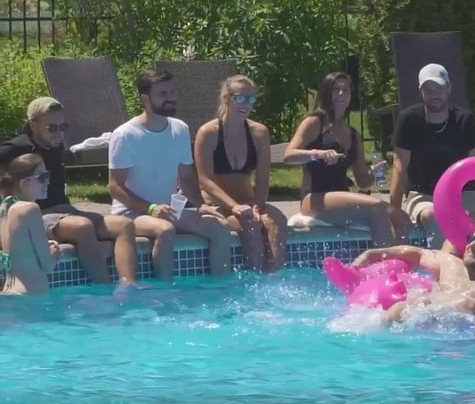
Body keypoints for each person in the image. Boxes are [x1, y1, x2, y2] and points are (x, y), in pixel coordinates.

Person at [108, 70, 233, 280]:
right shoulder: (126, 135)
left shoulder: (180, 129)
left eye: (173, 92)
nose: (171, 98)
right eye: (163, 94)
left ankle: (221, 289)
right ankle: (165, 292)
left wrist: (202, 205)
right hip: (131, 214)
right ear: (145, 99)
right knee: (165, 231)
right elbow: (115, 187)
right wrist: (151, 208)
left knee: (220, 228)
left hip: (169, 211)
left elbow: (185, 179)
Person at [0, 97, 138, 286]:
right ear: (33, 125)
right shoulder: (18, 148)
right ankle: (104, 287)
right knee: (83, 226)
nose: (59, 133)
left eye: (62, 127)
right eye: (52, 128)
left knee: (124, 225)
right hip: (41, 214)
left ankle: (128, 285)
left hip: (65, 209)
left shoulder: (55, 144)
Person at [284, 72, 412, 246]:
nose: (341, 94)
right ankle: (387, 264)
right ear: (326, 93)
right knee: (377, 208)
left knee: (402, 219)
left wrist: (374, 173)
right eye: (335, 90)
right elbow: (289, 156)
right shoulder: (314, 123)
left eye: (346, 90)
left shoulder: (353, 134)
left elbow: (363, 183)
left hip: (343, 198)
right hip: (314, 199)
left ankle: (397, 264)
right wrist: (317, 154)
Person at [194, 75, 286, 272]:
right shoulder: (208, 133)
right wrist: (234, 207)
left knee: (277, 222)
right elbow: (205, 180)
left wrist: (259, 206)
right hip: (218, 204)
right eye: (240, 98)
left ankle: (276, 281)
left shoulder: (259, 132)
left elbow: (262, 177)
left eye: (251, 99)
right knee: (251, 228)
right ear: (227, 98)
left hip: (249, 201)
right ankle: (253, 284)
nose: (247, 104)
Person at [390, 63, 475, 249]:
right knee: (433, 216)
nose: (434, 93)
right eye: (428, 88)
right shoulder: (409, 120)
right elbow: (399, 168)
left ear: (449, 89)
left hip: (462, 194)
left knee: (474, 219)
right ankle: (444, 266)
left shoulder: (465, 121)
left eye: (439, 87)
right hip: (424, 195)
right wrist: (394, 211)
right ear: (421, 91)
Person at [0, 154, 62, 295]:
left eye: (47, 175)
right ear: (24, 182)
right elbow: (47, 265)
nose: (47, 182)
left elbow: (11, 256)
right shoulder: (30, 209)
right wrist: (54, 251)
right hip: (30, 297)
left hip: (11, 292)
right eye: (42, 177)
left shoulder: (6, 206)